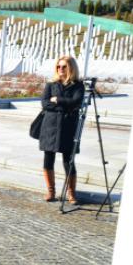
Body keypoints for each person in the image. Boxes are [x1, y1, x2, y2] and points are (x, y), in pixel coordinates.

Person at [39, 56, 83, 204]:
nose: (60, 69)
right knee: (48, 158)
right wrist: (64, 105)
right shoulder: (51, 84)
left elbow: (76, 102)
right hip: (50, 125)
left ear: (71, 68)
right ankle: (51, 191)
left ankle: (71, 193)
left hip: (68, 126)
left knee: (68, 160)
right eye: (58, 67)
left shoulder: (78, 85)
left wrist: (57, 100)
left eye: (64, 66)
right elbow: (45, 104)